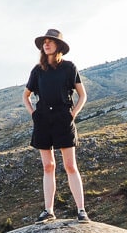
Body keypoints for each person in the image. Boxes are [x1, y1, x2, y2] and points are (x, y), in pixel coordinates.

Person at [22, 28, 90, 223]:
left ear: (58, 45)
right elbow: (25, 96)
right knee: (48, 166)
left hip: (63, 118)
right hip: (43, 119)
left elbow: (82, 95)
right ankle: (49, 211)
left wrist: (73, 113)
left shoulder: (69, 68)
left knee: (70, 165)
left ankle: (81, 210)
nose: (46, 44)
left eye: (50, 41)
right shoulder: (37, 70)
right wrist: (33, 113)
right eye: (44, 42)